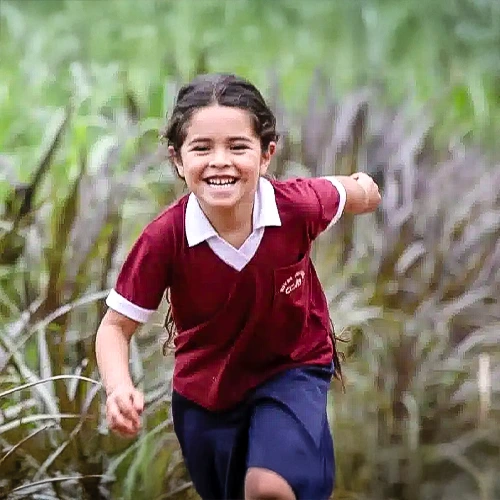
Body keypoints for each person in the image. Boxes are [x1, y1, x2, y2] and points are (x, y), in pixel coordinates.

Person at [95, 73, 381, 500]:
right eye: (202, 148)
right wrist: (119, 387)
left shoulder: (297, 207)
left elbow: (351, 192)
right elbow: (115, 328)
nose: (220, 161)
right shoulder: (165, 239)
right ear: (177, 160)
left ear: (267, 155)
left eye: (237, 147)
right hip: (205, 396)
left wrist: (365, 189)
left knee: (267, 488)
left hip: (292, 370)